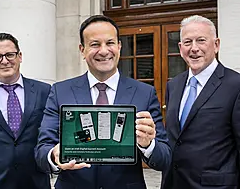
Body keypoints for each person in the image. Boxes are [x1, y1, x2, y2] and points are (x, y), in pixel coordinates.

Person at [35, 15, 170, 189]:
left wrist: (148, 144)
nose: (104, 51)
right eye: (95, 44)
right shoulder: (60, 91)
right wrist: (54, 155)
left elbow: (164, 158)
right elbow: (41, 150)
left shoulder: (145, 93)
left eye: (110, 43)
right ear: (82, 49)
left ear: (119, 47)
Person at [162, 15, 240, 189]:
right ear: (180, 48)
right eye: (188, 42)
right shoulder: (173, 85)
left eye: (201, 40)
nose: (194, 48)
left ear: (216, 44)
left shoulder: (235, 85)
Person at [0, 32, 51, 189]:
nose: (5, 61)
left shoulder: (44, 91)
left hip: (35, 181)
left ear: (20, 56)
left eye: (10, 55)